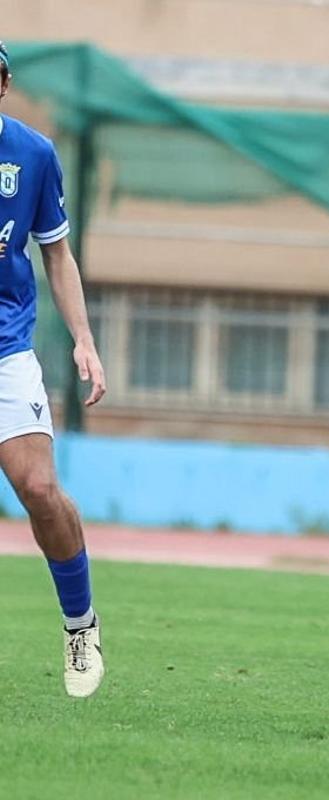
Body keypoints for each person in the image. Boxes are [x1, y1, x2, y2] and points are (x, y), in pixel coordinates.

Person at [0, 40, 107, 698]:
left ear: (4, 83)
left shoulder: (33, 155)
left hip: (6, 346)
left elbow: (56, 256)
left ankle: (80, 625)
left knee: (38, 488)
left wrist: (83, 340)